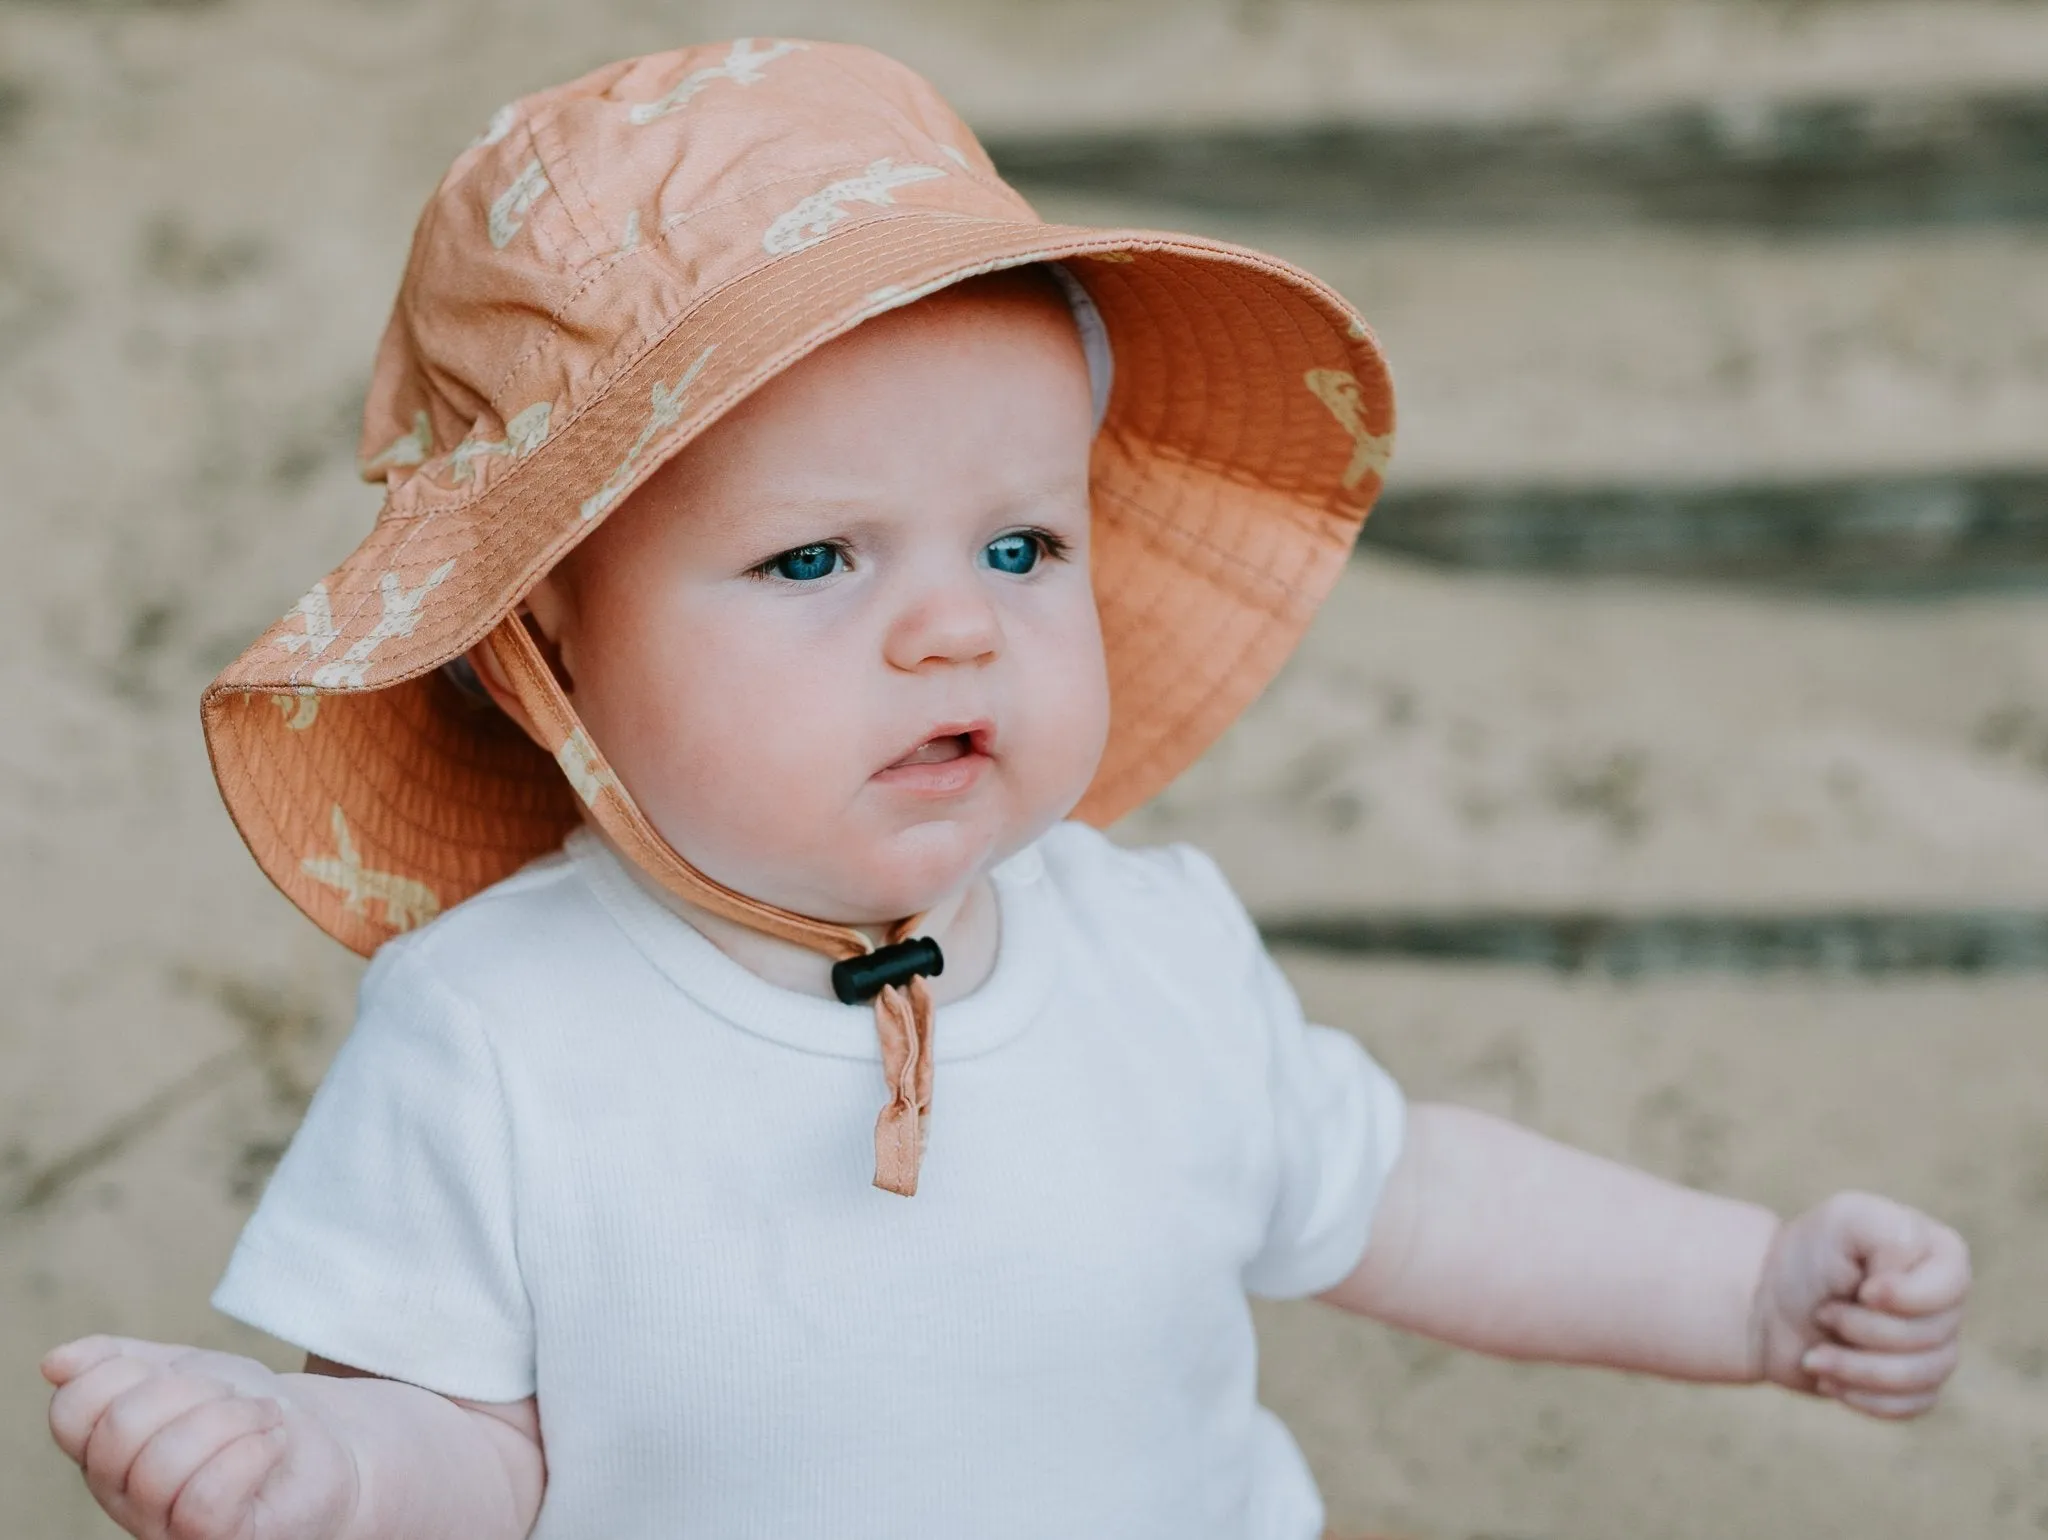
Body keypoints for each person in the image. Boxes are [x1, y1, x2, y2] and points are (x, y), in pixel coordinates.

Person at [41, 39, 1968, 1540]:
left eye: (1024, 550)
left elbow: (1410, 1196)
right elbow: (475, 1448)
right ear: (543, 651)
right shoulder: (491, 1036)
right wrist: (317, 1463)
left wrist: (1754, 1295)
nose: (955, 633)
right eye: (818, 562)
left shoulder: (1148, 946)